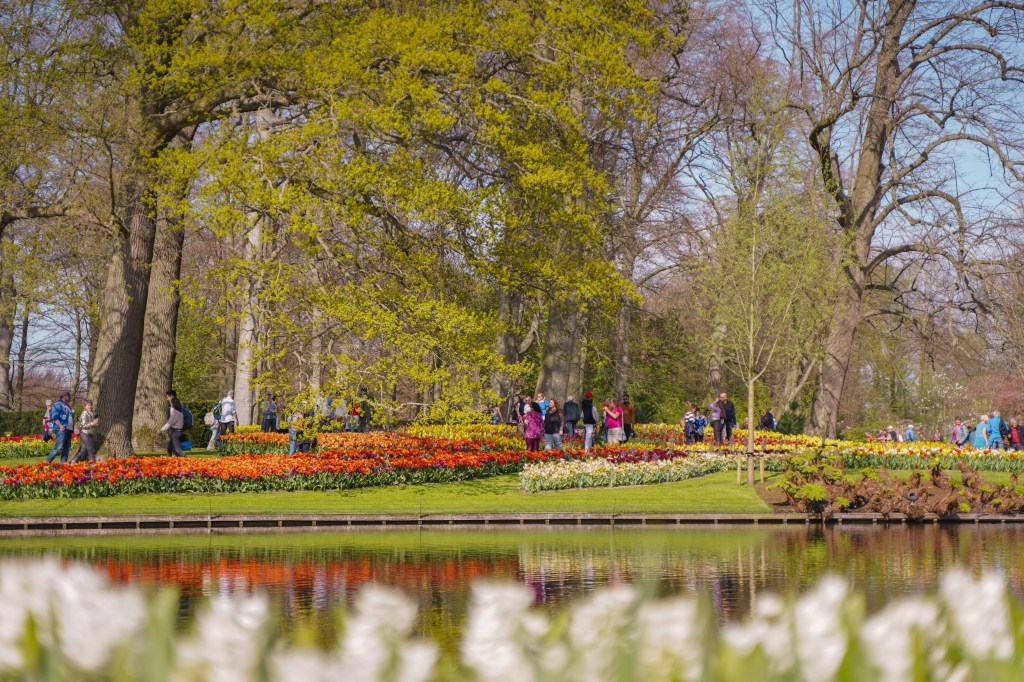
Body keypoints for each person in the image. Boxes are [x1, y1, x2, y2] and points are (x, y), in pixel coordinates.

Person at [45, 392, 74, 464]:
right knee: (58, 447)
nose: (69, 397)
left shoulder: (67, 405)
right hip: (61, 429)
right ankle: (46, 463)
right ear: (64, 396)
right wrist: (60, 426)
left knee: (66, 448)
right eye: (68, 396)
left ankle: (63, 464)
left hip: (68, 429)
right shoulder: (58, 404)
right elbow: (55, 417)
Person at [160, 391, 185, 457]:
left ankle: (187, 460)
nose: (167, 399)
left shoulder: (174, 409)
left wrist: (161, 430)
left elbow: (170, 422)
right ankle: (169, 460)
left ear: (172, 396)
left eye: (167, 397)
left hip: (176, 431)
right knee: (170, 447)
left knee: (177, 449)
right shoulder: (179, 407)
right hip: (175, 431)